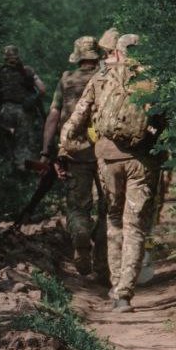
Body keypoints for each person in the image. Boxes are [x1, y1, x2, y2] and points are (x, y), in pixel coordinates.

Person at [58, 29, 165, 312]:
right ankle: (124, 293)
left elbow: (76, 119)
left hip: (108, 159)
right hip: (143, 162)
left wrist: (65, 148)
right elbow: (165, 123)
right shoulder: (153, 80)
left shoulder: (101, 78)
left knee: (114, 219)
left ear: (116, 51)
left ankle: (114, 282)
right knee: (135, 225)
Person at [41, 36, 108, 277]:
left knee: (78, 207)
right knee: (107, 210)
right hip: (105, 153)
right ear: (97, 55)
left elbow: (53, 115)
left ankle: (80, 232)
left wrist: (47, 151)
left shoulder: (66, 80)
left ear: (77, 56)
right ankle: (102, 266)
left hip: (73, 153)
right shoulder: (106, 77)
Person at [0, 44, 46, 170]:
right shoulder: (28, 71)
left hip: (6, 110)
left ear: (4, 57)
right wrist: (32, 100)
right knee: (24, 142)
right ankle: (23, 171)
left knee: (6, 141)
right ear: (18, 55)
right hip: (24, 111)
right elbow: (42, 90)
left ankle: (7, 172)